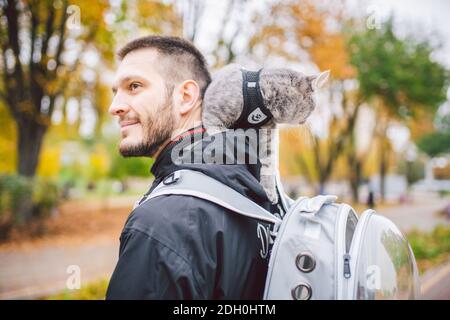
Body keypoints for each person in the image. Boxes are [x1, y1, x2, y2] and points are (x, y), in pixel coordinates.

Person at [105, 36, 276, 299]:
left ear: (185, 96)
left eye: (134, 86)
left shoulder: (162, 222)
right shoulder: (251, 190)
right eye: (115, 92)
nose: (114, 107)